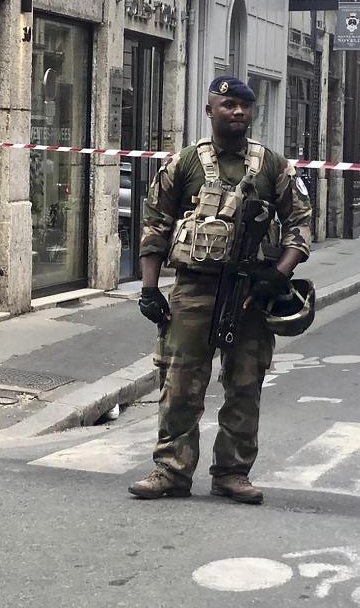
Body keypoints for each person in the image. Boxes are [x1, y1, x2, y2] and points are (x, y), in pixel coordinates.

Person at [129, 75, 312, 505]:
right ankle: (171, 470)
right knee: (179, 382)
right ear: (210, 110)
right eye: (228, 105)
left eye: (245, 107)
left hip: (252, 292)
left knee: (245, 385)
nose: (238, 113)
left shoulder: (272, 165)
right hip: (194, 290)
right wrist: (150, 289)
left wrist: (279, 274)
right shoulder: (186, 164)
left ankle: (232, 473)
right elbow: (155, 225)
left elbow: (300, 224)